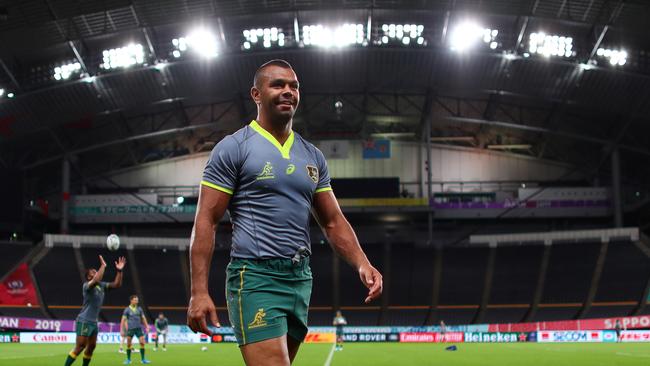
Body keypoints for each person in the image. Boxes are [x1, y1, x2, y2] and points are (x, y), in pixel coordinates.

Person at [187, 59, 383, 366]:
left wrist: (362, 262)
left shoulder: (312, 155)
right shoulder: (233, 148)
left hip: (299, 279)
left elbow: (332, 221)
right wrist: (198, 291)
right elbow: (206, 221)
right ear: (256, 94)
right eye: (278, 85)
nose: (288, 91)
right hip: (255, 277)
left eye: (294, 86)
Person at [63, 255, 126, 366]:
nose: (96, 272)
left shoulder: (101, 286)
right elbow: (97, 278)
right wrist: (103, 266)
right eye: (93, 272)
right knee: (80, 346)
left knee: (91, 347)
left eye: (96, 271)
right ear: (88, 277)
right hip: (84, 320)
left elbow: (117, 284)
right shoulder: (87, 286)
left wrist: (119, 271)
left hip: (93, 322)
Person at [121, 295, 151, 364]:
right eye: (135, 300)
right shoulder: (127, 310)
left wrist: (147, 326)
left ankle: (143, 359)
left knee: (142, 343)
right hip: (130, 329)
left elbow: (143, 318)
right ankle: (128, 360)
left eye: (137, 300)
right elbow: (123, 320)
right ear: (131, 300)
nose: (137, 301)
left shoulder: (139, 309)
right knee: (128, 345)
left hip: (138, 329)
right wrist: (122, 330)